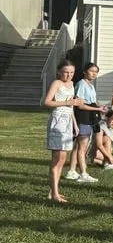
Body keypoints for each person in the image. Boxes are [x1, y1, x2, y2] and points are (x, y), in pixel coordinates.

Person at [43, 60, 83, 203]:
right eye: (66, 72)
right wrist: (67, 102)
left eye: (71, 72)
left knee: (63, 159)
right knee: (57, 158)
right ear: (59, 71)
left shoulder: (71, 84)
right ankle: (55, 193)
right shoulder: (56, 83)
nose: (69, 75)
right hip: (58, 120)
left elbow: (71, 106)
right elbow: (47, 102)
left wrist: (75, 123)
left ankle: (53, 191)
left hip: (67, 121)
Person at [64, 62, 107, 184]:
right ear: (84, 71)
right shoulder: (81, 84)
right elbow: (81, 105)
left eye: (96, 72)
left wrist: (100, 106)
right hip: (83, 118)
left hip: (90, 118)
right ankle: (83, 173)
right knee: (82, 147)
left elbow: (92, 101)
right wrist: (97, 109)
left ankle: (71, 171)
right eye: (91, 71)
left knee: (78, 146)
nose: (94, 74)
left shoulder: (90, 85)